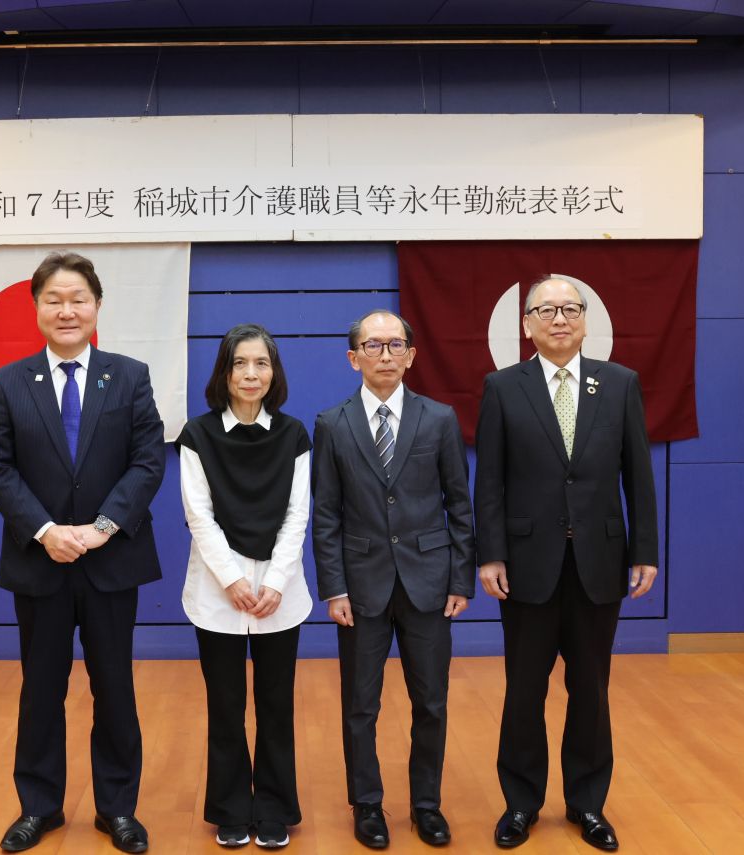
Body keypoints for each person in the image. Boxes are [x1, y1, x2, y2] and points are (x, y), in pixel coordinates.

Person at [0, 251, 165, 854]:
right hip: (41, 561)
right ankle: (39, 806)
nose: (67, 310)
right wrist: (46, 531)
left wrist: (102, 527)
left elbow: (147, 461)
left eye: (77, 299)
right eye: (54, 300)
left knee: (114, 686)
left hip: (111, 560)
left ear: (97, 306)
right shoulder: (9, 382)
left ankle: (117, 809)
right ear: (36, 309)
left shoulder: (129, 375)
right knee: (41, 688)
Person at [474, 276, 658, 852]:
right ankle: (520, 804)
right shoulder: (503, 387)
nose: (559, 319)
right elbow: (492, 483)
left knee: (591, 690)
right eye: (546, 310)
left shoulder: (620, 383)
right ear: (527, 323)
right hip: (527, 564)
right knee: (523, 691)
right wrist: (490, 554)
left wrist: (645, 551)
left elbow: (639, 477)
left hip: (599, 562)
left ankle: (587, 803)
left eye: (570, 309)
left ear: (586, 320)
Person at [312, 310, 475, 850]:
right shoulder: (332, 424)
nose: (385, 355)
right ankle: (368, 805)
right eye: (373, 346)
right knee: (361, 704)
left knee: (431, 702)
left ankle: (426, 805)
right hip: (361, 587)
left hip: (429, 582)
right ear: (353, 357)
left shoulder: (439, 419)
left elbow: (459, 503)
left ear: (412, 355)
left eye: (395, 345)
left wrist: (461, 578)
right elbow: (327, 513)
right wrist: (333, 587)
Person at [176, 323, 313, 850]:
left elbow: (298, 514)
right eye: (240, 364)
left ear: (273, 372)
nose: (251, 373)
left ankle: (275, 806)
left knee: (277, 704)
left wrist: (274, 580)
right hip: (218, 591)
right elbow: (199, 516)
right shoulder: (198, 434)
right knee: (225, 705)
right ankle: (231, 807)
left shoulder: (295, 434)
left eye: (261, 363)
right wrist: (234, 580)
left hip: (281, 592)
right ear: (225, 373)